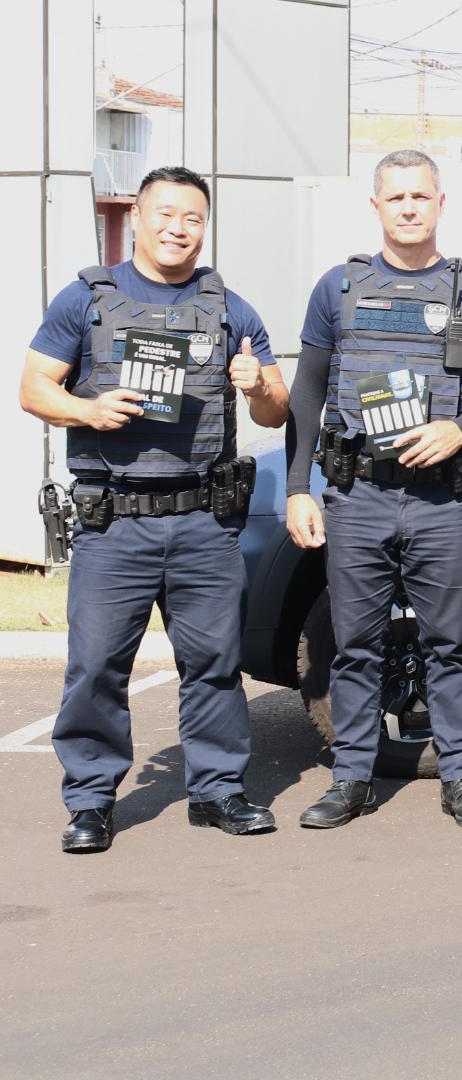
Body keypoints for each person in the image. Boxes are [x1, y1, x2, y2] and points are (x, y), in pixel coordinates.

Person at [20, 166, 288, 852]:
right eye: (165, 214)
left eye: (193, 218)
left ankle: (220, 790)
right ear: (136, 218)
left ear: (204, 226)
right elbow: (32, 388)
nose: (178, 228)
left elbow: (277, 405)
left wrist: (255, 384)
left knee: (214, 664)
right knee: (97, 666)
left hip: (203, 519)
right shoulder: (86, 300)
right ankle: (90, 801)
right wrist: (87, 408)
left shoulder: (228, 305)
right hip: (115, 520)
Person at [284, 149, 462, 830]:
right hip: (358, 497)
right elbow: (307, 393)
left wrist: (461, 429)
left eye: (421, 196)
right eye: (396, 197)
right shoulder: (338, 289)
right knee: (356, 644)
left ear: (441, 205)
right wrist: (299, 487)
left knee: (450, 643)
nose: (409, 207)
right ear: (377, 206)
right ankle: (350, 779)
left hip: (444, 500)